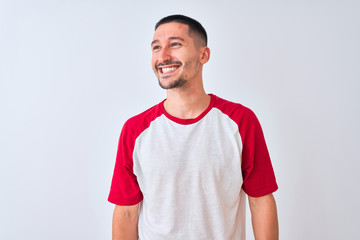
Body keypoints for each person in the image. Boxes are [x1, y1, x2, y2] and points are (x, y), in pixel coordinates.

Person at [108, 14, 279, 240]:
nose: (163, 55)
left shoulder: (240, 121)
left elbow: (260, 200)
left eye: (175, 44)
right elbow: (127, 212)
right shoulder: (135, 129)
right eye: (156, 47)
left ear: (203, 55)